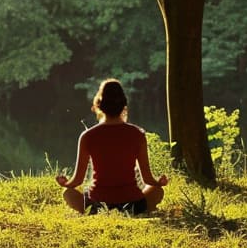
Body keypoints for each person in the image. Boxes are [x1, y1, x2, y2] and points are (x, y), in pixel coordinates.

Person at [55, 79, 167, 215]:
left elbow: (77, 180)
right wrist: (159, 182)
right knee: (157, 191)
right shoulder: (137, 134)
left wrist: (66, 184)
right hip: (133, 205)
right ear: (124, 105)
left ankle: (95, 212)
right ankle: (132, 212)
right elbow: (147, 179)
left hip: (98, 205)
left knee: (68, 193)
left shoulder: (87, 136)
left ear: (98, 105)